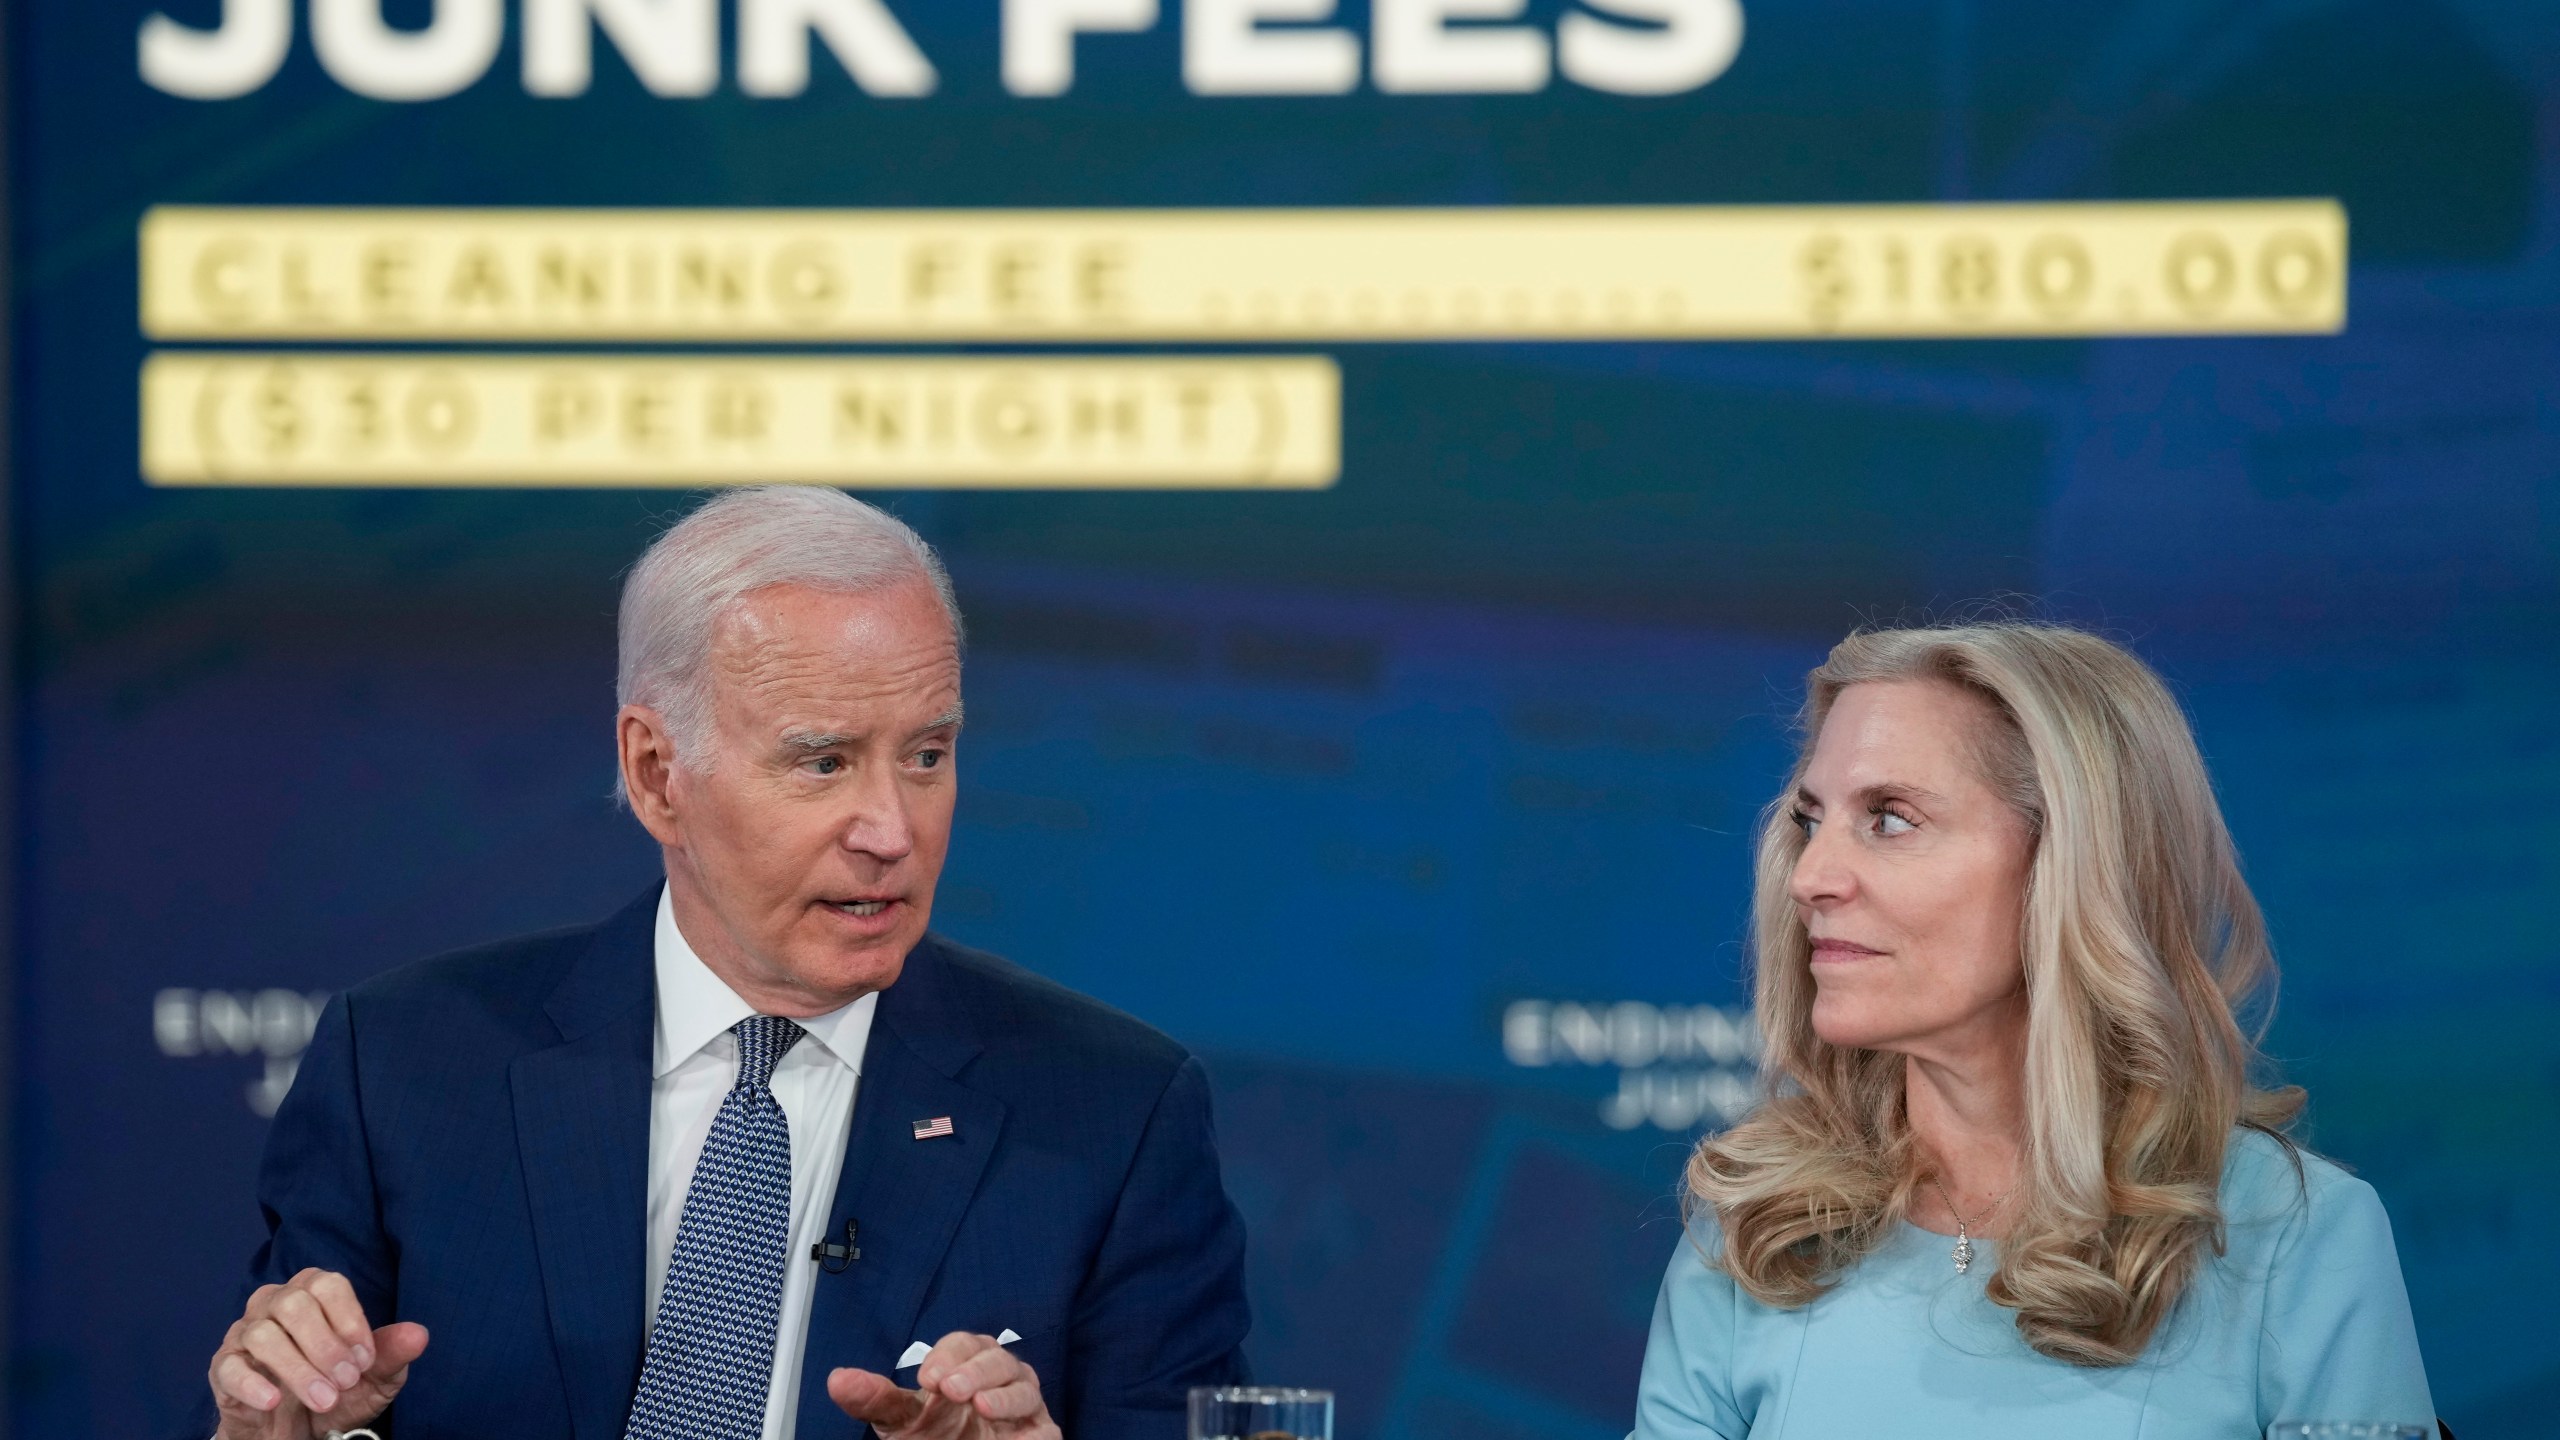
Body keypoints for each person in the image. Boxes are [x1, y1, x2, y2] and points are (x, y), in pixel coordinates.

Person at [199, 487, 1252, 1440]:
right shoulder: (403, 1069)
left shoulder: (1112, 1117)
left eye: (927, 754)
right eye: (823, 761)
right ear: (658, 774)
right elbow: (296, 1406)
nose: (890, 828)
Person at [1630, 622, 2437, 1440]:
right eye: (1813, 821)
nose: (1810, 877)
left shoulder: (2291, 1239)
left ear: (2076, 860)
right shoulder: (1762, 1227)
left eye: (1891, 819)